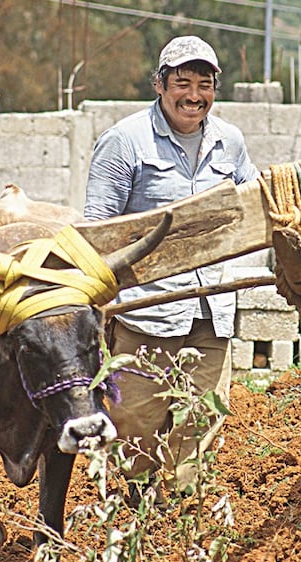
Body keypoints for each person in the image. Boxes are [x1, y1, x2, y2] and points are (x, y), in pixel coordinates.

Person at [83, 35, 260, 497]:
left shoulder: (230, 143)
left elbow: (257, 208)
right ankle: (139, 503)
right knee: (136, 422)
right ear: (159, 84)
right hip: (147, 312)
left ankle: (185, 511)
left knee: (202, 418)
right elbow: (99, 232)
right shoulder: (125, 141)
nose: (194, 95)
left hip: (212, 310)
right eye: (183, 82)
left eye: (205, 84)